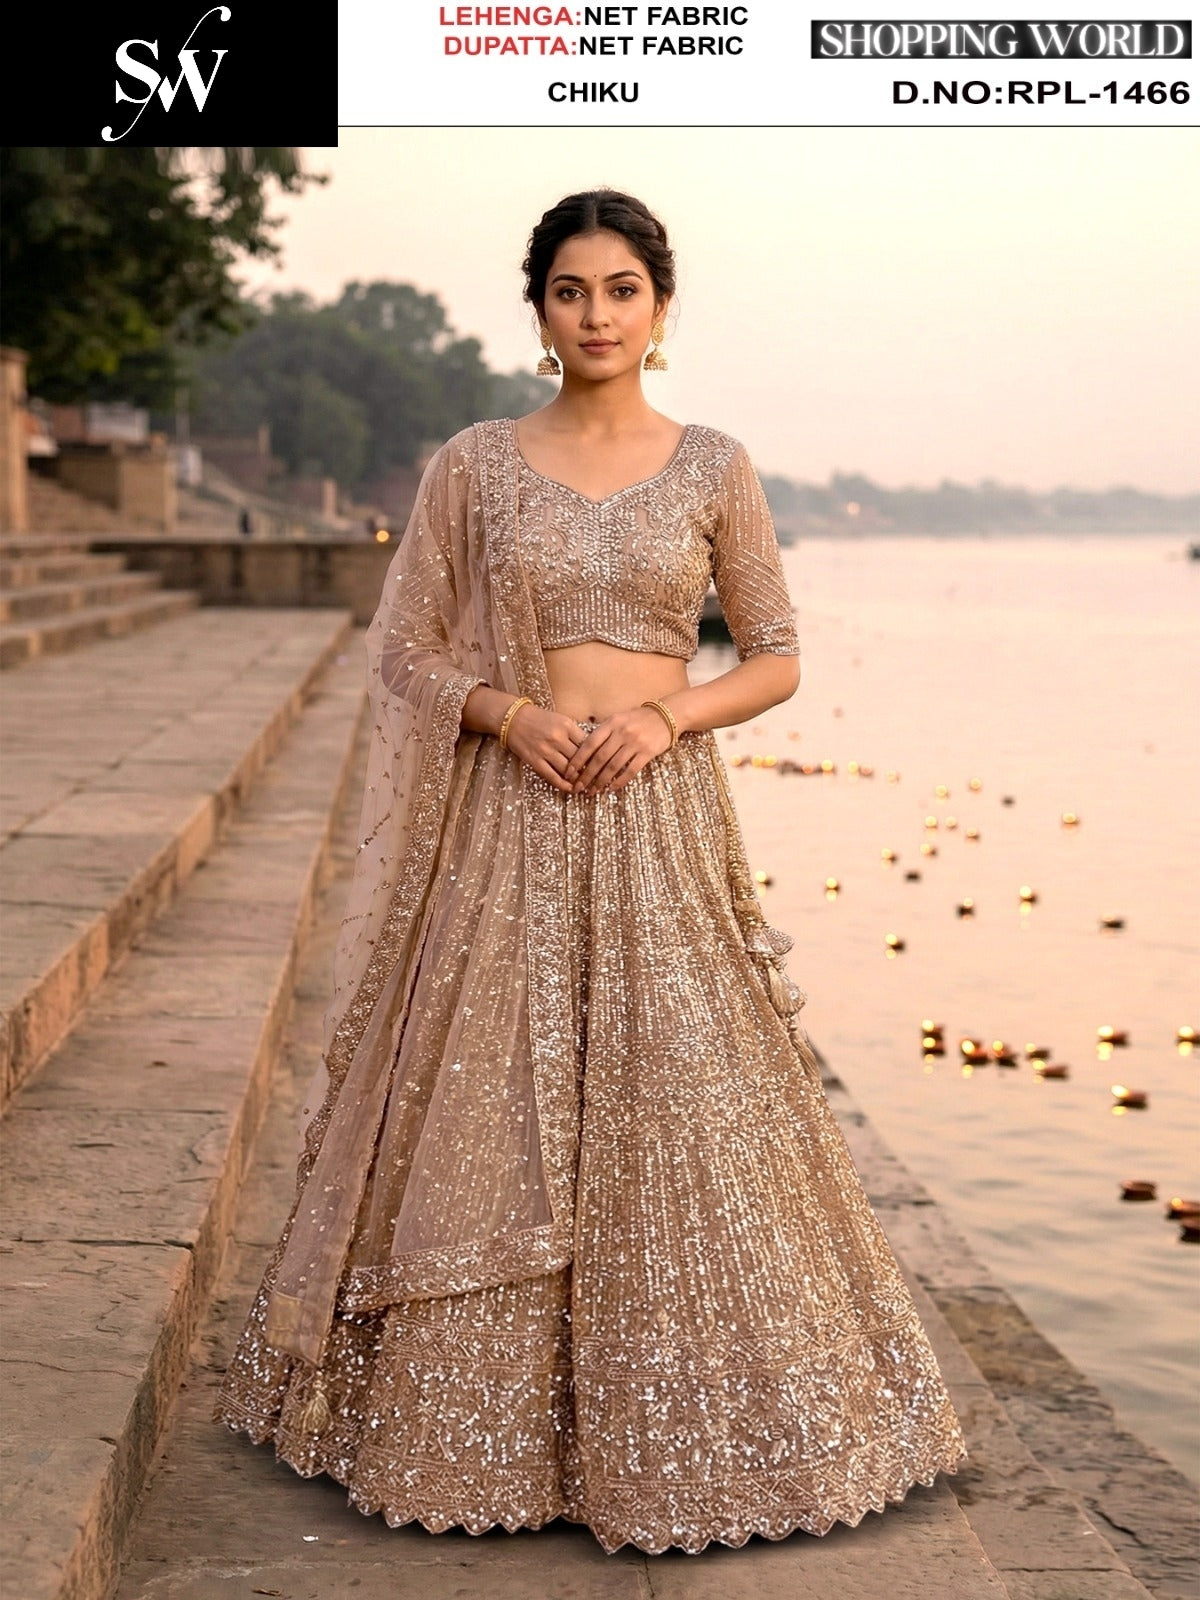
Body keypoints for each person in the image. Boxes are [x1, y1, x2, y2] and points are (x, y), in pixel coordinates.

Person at [213, 189, 966, 1555]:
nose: (597, 314)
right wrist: (515, 717)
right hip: (510, 815)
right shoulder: (477, 465)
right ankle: (474, 1438)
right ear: (540, 310)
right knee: (487, 1094)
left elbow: (779, 655)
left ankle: (684, 1428)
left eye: (622, 289)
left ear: (661, 309)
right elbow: (407, 651)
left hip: (661, 818)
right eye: (571, 291)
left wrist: (664, 715)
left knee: (680, 1104)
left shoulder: (714, 465)